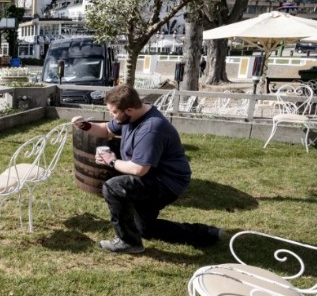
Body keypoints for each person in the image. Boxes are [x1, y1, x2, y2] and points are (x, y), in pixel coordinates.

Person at [71, 85, 222, 254]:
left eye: (114, 113)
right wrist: (84, 126)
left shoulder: (150, 128)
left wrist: (111, 162)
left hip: (167, 182)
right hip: (155, 175)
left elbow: (139, 169)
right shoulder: (133, 115)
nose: (113, 116)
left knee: (113, 187)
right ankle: (207, 233)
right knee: (144, 228)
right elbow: (106, 130)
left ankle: (127, 242)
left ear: (129, 109)